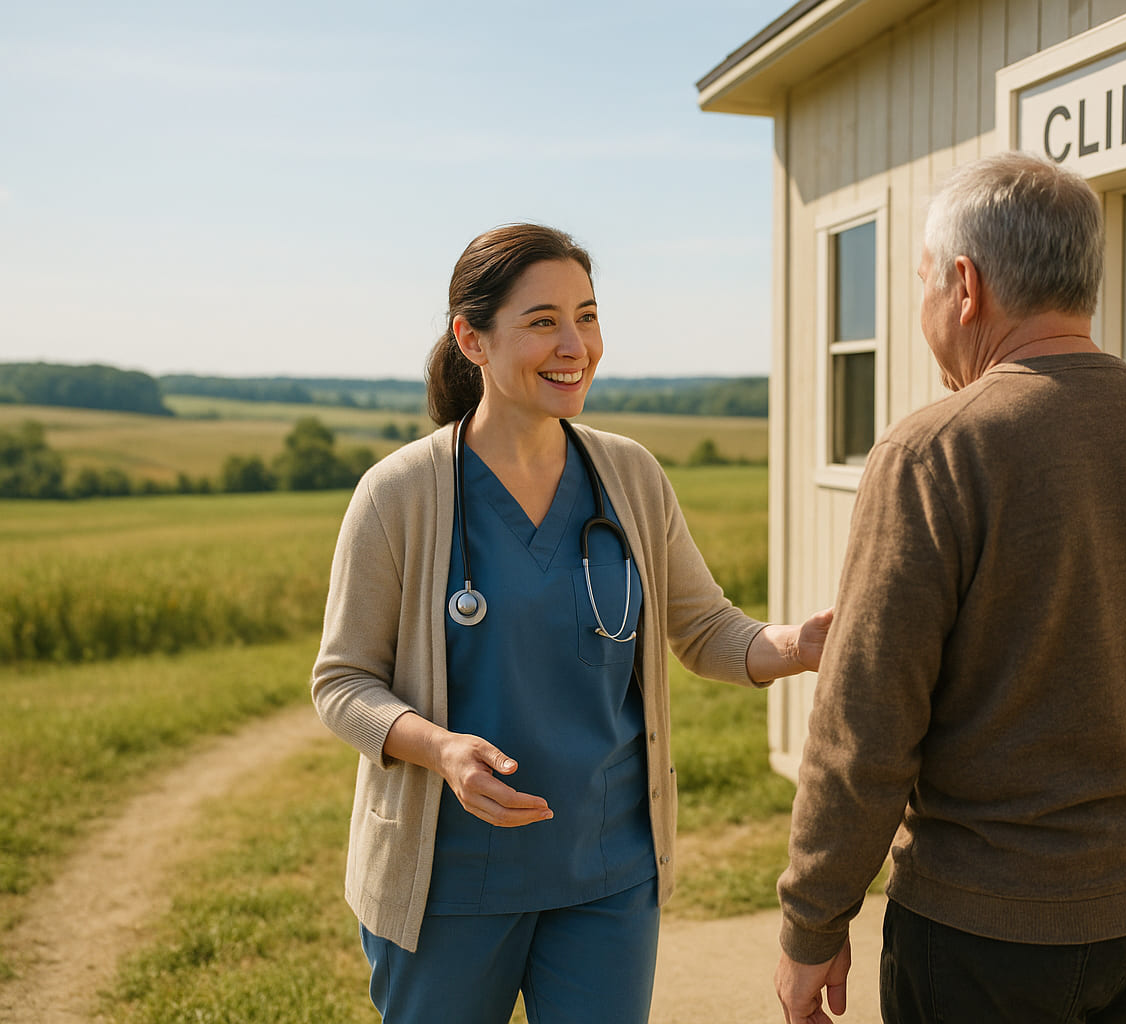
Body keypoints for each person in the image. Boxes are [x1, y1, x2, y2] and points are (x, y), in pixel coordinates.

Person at [773, 153, 1126, 1024]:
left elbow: (865, 723)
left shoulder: (934, 452)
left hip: (987, 937)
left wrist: (812, 920)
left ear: (965, 285)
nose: (924, 314)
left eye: (923, 287)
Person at [312, 222, 831, 1024]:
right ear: (471, 339)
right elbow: (343, 683)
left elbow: (704, 629)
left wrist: (799, 645)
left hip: (607, 871)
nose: (575, 345)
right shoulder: (400, 494)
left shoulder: (628, 475)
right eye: (544, 320)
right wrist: (442, 750)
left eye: (587, 316)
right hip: (448, 882)